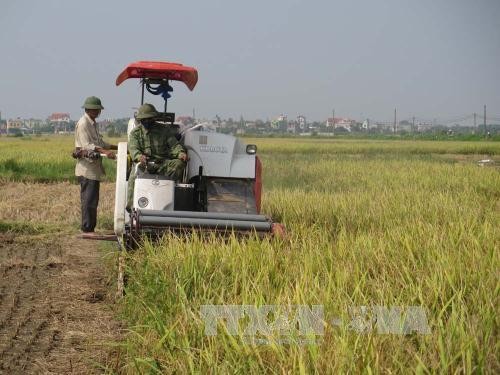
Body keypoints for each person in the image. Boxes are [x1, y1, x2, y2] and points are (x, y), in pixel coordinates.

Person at [127, 103, 188, 208]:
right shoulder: (135, 133)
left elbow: (174, 145)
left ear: (154, 118)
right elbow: (133, 149)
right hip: (144, 165)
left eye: (149, 119)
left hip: (162, 164)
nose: (147, 121)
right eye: (144, 119)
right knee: (133, 175)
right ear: (140, 120)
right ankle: (131, 206)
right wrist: (139, 157)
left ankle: (169, 196)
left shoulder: (164, 130)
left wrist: (181, 153)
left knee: (179, 164)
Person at [74, 96, 117, 234]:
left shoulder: (93, 123)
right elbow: (87, 145)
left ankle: (90, 229)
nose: (99, 112)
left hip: (94, 169)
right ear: (90, 109)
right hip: (87, 168)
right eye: (97, 110)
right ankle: (87, 229)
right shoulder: (83, 124)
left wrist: (119, 147)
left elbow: (100, 142)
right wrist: (105, 152)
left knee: (93, 201)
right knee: (88, 201)